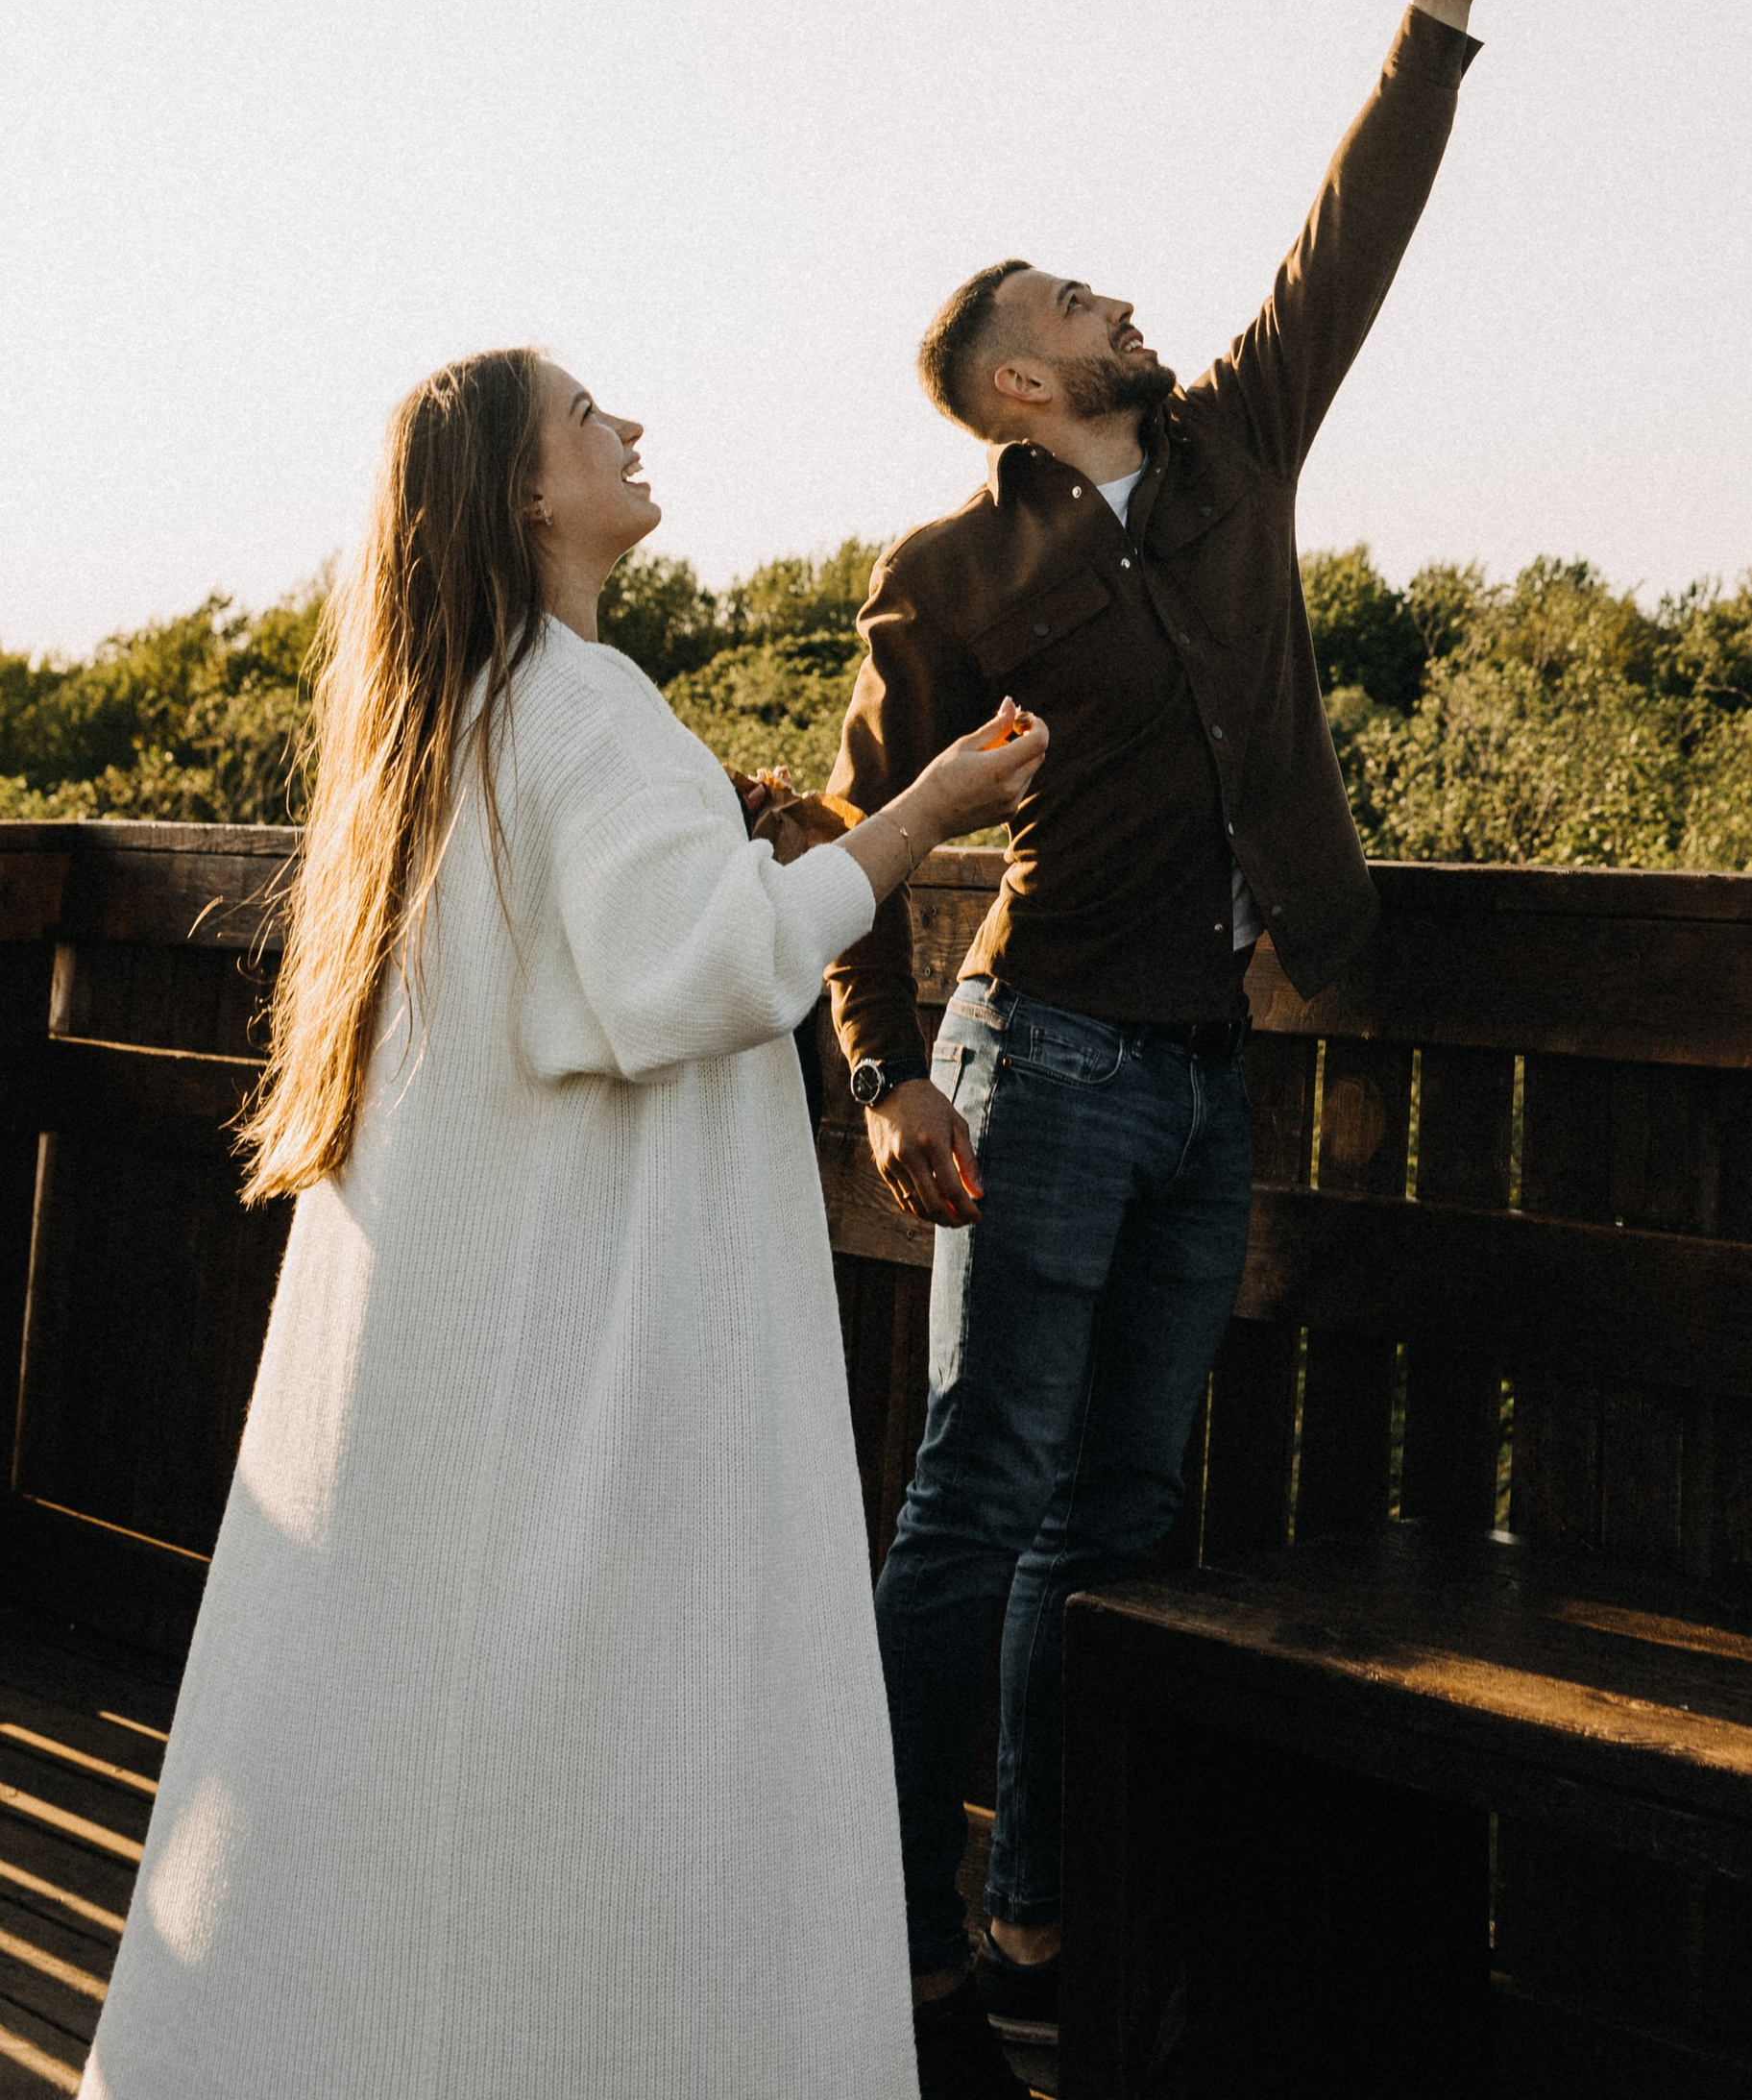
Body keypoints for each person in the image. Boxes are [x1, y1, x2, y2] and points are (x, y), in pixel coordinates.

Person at [84, 347, 1043, 2100]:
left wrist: (746, 830)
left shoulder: (464, 713)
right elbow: (700, 968)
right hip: (618, 1334)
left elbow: (600, 958)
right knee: (640, 1740)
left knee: (486, 1751)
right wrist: (924, 813)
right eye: (595, 420)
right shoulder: (576, 704)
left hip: (517, 1331)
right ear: (530, 496)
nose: (635, 429)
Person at [823, 0, 1520, 2098]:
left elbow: (1358, 234)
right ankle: (889, 1907)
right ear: (1020, 376)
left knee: (1116, 1508)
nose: (1125, 300)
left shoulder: (1229, 449)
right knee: (975, 1493)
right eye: (1077, 296)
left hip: (1212, 1065)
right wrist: (882, 1074)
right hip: (1042, 1063)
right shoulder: (946, 569)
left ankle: (1036, 1892)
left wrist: (1436, 1)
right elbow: (864, 834)